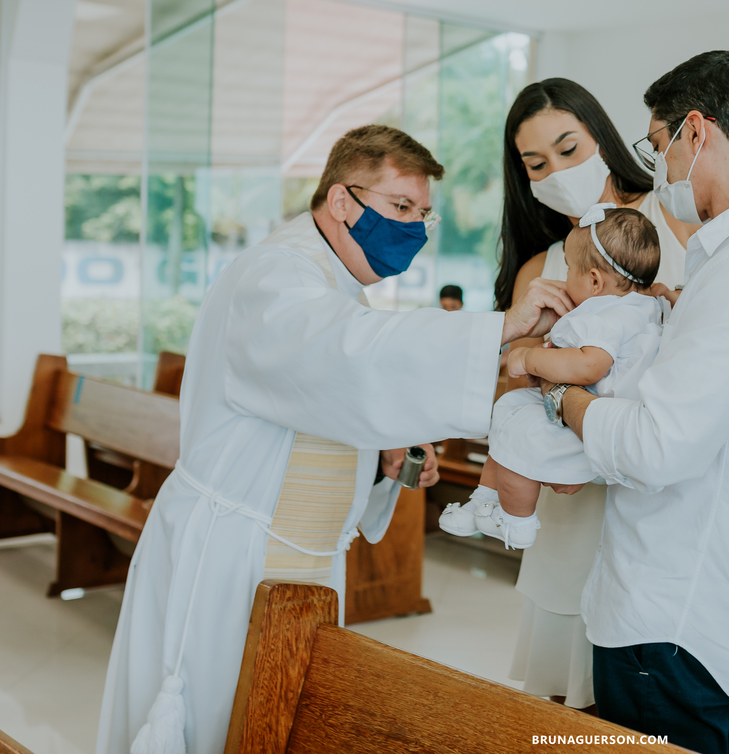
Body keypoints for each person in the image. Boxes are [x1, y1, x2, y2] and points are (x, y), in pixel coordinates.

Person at [96, 125, 572, 754]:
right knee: (217, 721)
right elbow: (345, 353)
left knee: (277, 721)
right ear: (342, 200)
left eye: (423, 214)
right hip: (231, 553)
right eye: (400, 206)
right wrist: (501, 329)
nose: (415, 227)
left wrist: (381, 454)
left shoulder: (331, 282)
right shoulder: (276, 273)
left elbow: (318, 391)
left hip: (300, 556)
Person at [541, 51, 729, 754]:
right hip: (701, 607)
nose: (660, 169)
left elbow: (656, 446)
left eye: (659, 144)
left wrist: (562, 395)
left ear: (696, 132)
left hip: (672, 616)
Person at [495, 78, 692, 711]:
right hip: (572, 503)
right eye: (536, 164)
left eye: (568, 149)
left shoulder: (673, 219)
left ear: (602, 140)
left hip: (662, 492)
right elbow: (512, 374)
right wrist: (532, 361)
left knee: (649, 709)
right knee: (568, 710)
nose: (556, 172)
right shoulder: (543, 267)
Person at [441, 205, 664, 549]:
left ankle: (516, 520)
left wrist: (530, 357)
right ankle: (485, 497)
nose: (566, 276)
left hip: (585, 423)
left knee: (522, 432)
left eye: (570, 268)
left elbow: (589, 366)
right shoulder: (637, 308)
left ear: (594, 281)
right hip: (589, 414)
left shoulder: (604, 317)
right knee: (509, 408)